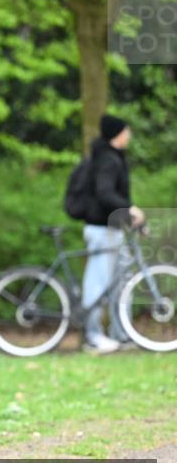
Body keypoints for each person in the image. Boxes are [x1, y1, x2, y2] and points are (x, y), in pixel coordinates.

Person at [80, 114, 145, 355]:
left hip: (113, 228)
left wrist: (134, 221)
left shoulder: (112, 157)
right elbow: (105, 194)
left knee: (122, 281)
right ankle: (93, 337)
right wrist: (130, 209)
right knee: (97, 283)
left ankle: (122, 334)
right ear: (118, 133)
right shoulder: (108, 159)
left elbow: (113, 197)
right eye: (127, 131)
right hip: (101, 229)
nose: (129, 135)